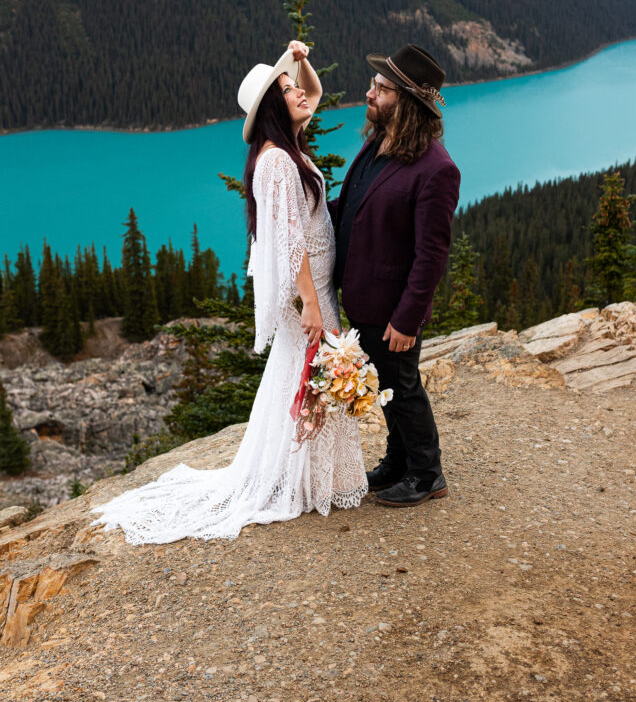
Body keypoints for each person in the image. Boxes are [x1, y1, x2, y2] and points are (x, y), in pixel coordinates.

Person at [91, 41, 367, 544]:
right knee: (308, 372)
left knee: (302, 372)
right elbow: (290, 241)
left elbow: (314, 94)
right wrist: (309, 300)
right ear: (272, 109)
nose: (300, 94)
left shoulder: (283, 148)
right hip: (309, 289)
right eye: (286, 91)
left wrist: (298, 62)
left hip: (319, 285)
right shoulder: (278, 163)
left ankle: (303, 475)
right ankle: (302, 480)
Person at [329, 44, 461, 508]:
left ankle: (427, 474)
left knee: (402, 385)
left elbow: (431, 255)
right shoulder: (377, 144)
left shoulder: (437, 169)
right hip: (365, 297)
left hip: (393, 307)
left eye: (380, 89)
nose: (369, 93)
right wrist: (304, 217)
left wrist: (408, 318)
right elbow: (353, 207)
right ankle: (399, 461)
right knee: (387, 383)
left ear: (405, 101)